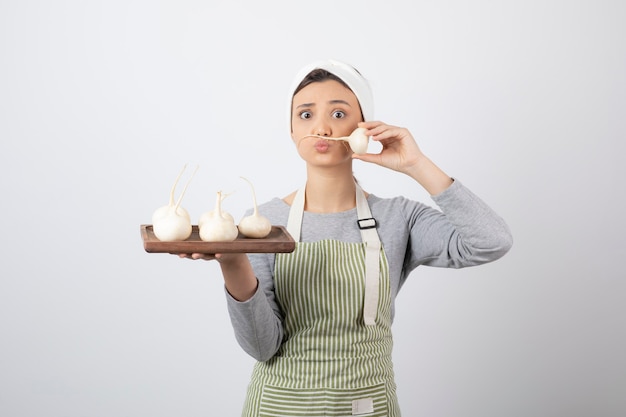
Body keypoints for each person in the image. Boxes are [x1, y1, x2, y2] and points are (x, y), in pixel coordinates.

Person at [180, 59, 513, 416]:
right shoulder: (263, 223)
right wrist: (232, 261)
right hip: (278, 406)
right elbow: (262, 346)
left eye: (338, 114)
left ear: (364, 127)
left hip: (367, 407)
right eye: (305, 115)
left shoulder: (398, 217)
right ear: (292, 130)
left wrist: (416, 163)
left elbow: (491, 241)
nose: (321, 127)